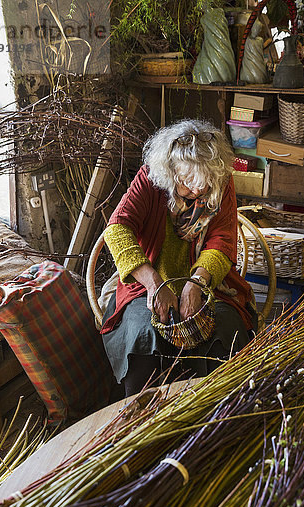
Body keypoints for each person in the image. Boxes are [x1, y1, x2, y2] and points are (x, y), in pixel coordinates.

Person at [100, 119, 257, 397]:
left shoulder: (221, 181)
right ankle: (140, 415)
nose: (196, 193)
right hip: (147, 284)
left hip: (210, 285)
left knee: (221, 330)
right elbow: (117, 229)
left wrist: (196, 283)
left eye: (204, 185)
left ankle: (210, 408)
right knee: (142, 334)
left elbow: (222, 240)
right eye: (187, 183)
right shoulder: (151, 178)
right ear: (170, 172)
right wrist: (153, 282)